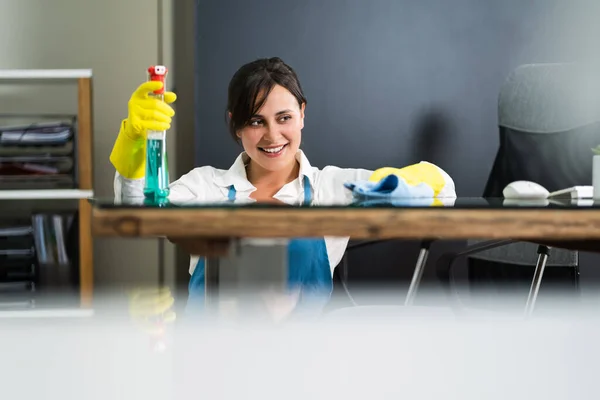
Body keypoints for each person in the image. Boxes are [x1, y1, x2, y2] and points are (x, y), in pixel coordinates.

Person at [109, 57, 454, 318]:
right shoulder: (206, 185)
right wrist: (135, 137)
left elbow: (444, 188)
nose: (272, 136)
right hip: (213, 354)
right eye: (256, 121)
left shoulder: (332, 187)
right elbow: (135, 205)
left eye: (284, 118)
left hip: (300, 361)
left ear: (302, 114)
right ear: (236, 125)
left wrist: (396, 183)